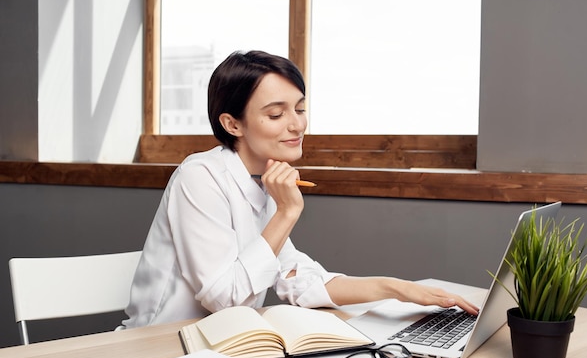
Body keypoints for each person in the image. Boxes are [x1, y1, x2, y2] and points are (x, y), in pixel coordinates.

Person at [121, 50, 479, 328]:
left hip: (222, 348)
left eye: (301, 108)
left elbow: (297, 279)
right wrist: (288, 212)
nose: (296, 125)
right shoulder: (199, 176)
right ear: (232, 123)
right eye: (276, 115)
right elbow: (225, 299)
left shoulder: (263, 180)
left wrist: (399, 289)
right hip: (157, 347)